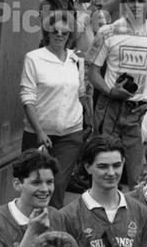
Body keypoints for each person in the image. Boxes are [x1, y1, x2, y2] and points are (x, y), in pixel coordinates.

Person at [85, 0, 147, 187]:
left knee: (138, 176)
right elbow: (93, 71)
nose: (136, 5)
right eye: (131, 0)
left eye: (141, 1)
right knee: (104, 170)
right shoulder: (108, 31)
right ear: (124, 4)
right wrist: (109, 91)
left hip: (140, 111)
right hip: (110, 107)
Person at [20, 12, 85, 206]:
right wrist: (39, 131)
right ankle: (29, 229)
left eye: (64, 32)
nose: (59, 35)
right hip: (39, 134)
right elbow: (27, 97)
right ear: (47, 32)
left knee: (58, 184)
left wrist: (88, 119)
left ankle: (52, 231)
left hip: (71, 132)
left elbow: (80, 92)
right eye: (54, 31)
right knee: (36, 184)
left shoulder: (76, 60)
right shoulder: (34, 58)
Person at [53, 136, 147, 245]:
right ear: (87, 167)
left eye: (116, 165)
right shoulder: (68, 216)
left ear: (123, 163)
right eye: (103, 166)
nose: (111, 173)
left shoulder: (140, 211)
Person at [0, 150, 62, 247]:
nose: (45, 189)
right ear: (17, 184)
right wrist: (32, 232)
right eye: (36, 183)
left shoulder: (55, 216)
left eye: (49, 182)